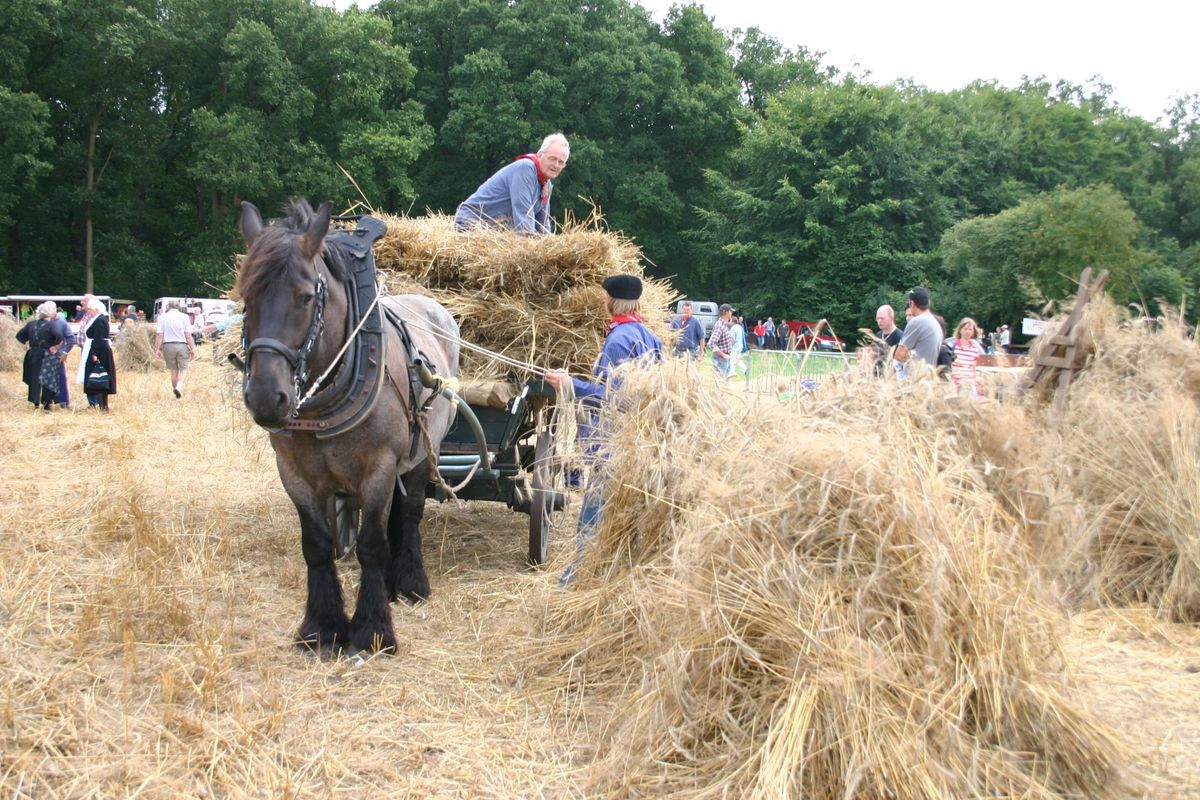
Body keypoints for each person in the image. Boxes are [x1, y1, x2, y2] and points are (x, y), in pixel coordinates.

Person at [543, 273, 663, 585]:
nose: (602, 300)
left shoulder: (619, 340)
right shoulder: (650, 337)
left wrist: (570, 384)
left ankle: (576, 582)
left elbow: (616, 398)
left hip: (610, 445)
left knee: (592, 521)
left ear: (612, 300)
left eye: (603, 295)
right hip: (637, 442)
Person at [454, 133, 570, 234]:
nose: (556, 165)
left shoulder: (546, 185)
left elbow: (543, 225)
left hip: (495, 232)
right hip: (471, 222)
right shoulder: (526, 169)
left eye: (561, 162)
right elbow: (524, 220)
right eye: (552, 159)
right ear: (540, 155)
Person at [15, 301, 66, 411]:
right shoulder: (52, 324)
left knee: (35, 379)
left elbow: (20, 336)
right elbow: (59, 336)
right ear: (50, 313)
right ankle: (47, 405)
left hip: (33, 353)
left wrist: (25, 345)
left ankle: (36, 404)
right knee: (48, 379)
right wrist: (56, 347)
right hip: (47, 354)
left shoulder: (31, 324)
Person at [155, 300, 196, 398]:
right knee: (184, 369)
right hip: (182, 345)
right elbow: (188, 335)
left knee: (174, 370)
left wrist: (157, 349)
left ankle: (175, 393)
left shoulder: (162, 317)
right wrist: (193, 348)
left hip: (168, 346)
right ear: (178, 307)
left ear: (168, 306)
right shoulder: (185, 317)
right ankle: (179, 387)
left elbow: (160, 335)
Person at [895, 287, 942, 369]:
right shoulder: (936, 323)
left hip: (916, 377)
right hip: (929, 377)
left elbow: (899, 355)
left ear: (912, 303)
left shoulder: (916, 322)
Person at [82, 296, 116, 411]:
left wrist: (95, 353)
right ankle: (102, 405)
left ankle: (103, 406)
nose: (89, 311)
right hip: (98, 349)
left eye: (91, 309)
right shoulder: (99, 319)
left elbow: (99, 338)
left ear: (96, 309)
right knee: (98, 377)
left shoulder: (100, 320)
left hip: (99, 351)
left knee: (99, 377)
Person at [949, 317, 984, 398]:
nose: (967, 331)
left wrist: (975, 383)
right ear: (960, 330)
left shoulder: (975, 349)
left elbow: (973, 367)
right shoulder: (952, 346)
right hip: (956, 385)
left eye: (970, 329)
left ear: (973, 332)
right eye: (965, 329)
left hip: (970, 385)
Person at [707, 304, 736, 380]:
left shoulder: (724, 325)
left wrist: (730, 341)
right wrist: (723, 355)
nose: (731, 314)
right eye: (730, 312)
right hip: (720, 359)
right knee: (720, 384)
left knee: (723, 383)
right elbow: (711, 343)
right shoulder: (720, 326)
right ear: (726, 312)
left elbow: (721, 340)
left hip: (724, 359)